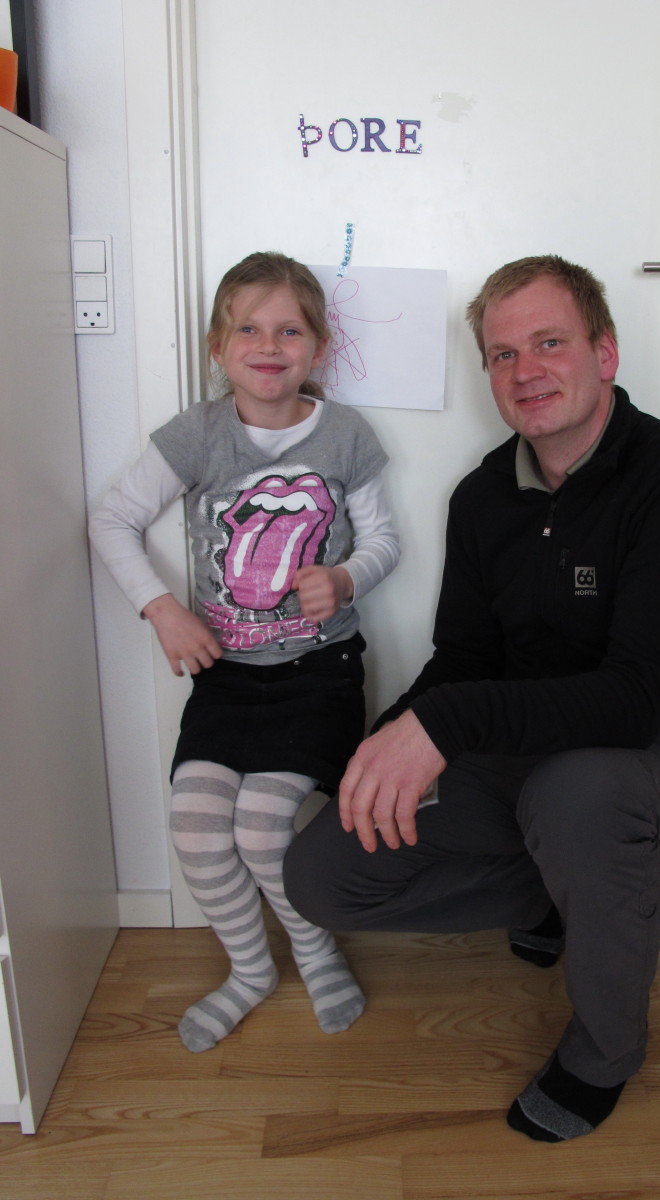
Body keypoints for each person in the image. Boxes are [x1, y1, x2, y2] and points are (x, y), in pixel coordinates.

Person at [283, 254, 660, 1141]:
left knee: (578, 796)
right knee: (324, 873)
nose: (526, 370)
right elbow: (465, 658)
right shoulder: (484, 496)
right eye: (502, 354)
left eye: (549, 343)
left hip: (643, 761)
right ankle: (554, 896)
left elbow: (637, 699)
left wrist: (442, 725)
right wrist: (387, 746)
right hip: (519, 757)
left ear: (605, 353)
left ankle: (606, 1053)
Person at [90, 250, 400, 1052]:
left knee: (262, 828)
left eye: (289, 330)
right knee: (195, 825)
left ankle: (314, 950)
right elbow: (112, 519)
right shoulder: (197, 435)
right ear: (218, 348)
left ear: (318, 346)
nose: (269, 346)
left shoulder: (346, 435)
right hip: (226, 679)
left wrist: (345, 576)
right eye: (248, 330)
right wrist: (162, 609)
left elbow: (384, 540)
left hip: (320, 674)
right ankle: (250, 969)